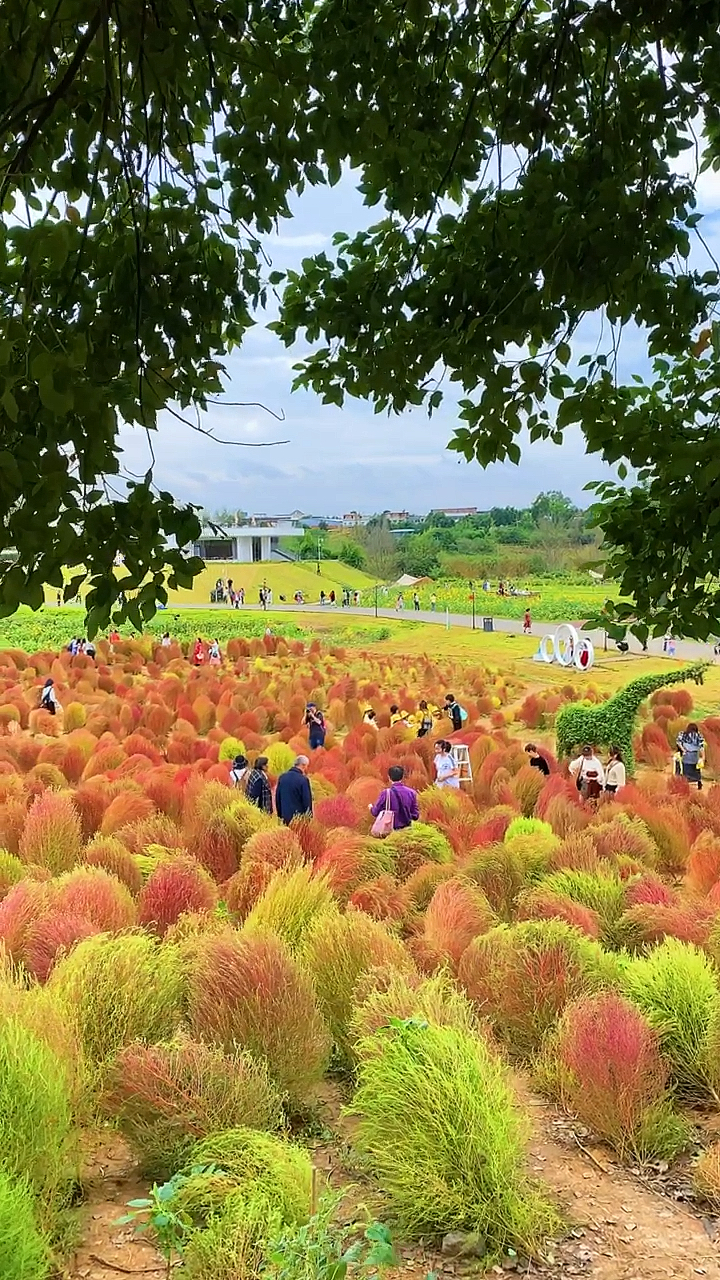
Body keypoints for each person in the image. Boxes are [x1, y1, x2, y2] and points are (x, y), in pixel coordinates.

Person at [369, 765, 419, 831]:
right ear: (403, 777)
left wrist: (371, 808)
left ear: (389, 777)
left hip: (390, 831)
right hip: (407, 832)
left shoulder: (386, 793)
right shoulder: (412, 793)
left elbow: (375, 812)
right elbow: (415, 816)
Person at [276, 755, 313, 824]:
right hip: (299, 819)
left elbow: (278, 798)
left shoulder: (282, 778)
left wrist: (280, 816)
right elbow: (307, 801)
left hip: (284, 817)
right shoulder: (303, 780)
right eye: (307, 766)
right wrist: (309, 818)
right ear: (303, 765)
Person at [676, 723, 705, 789]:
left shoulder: (683, 734)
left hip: (686, 756)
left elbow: (678, 742)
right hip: (695, 756)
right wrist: (703, 757)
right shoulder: (698, 736)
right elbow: (701, 747)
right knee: (696, 770)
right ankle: (698, 782)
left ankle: (685, 784)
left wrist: (683, 750)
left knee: (685, 770)